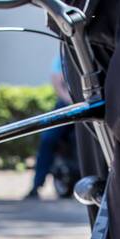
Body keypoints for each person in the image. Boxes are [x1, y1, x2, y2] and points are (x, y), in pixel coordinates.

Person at [24, 56, 73, 200]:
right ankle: (36, 185)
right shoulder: (63, 55)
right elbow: (57, 80)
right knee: (48, 139)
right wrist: (69, 100)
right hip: (67, 105)